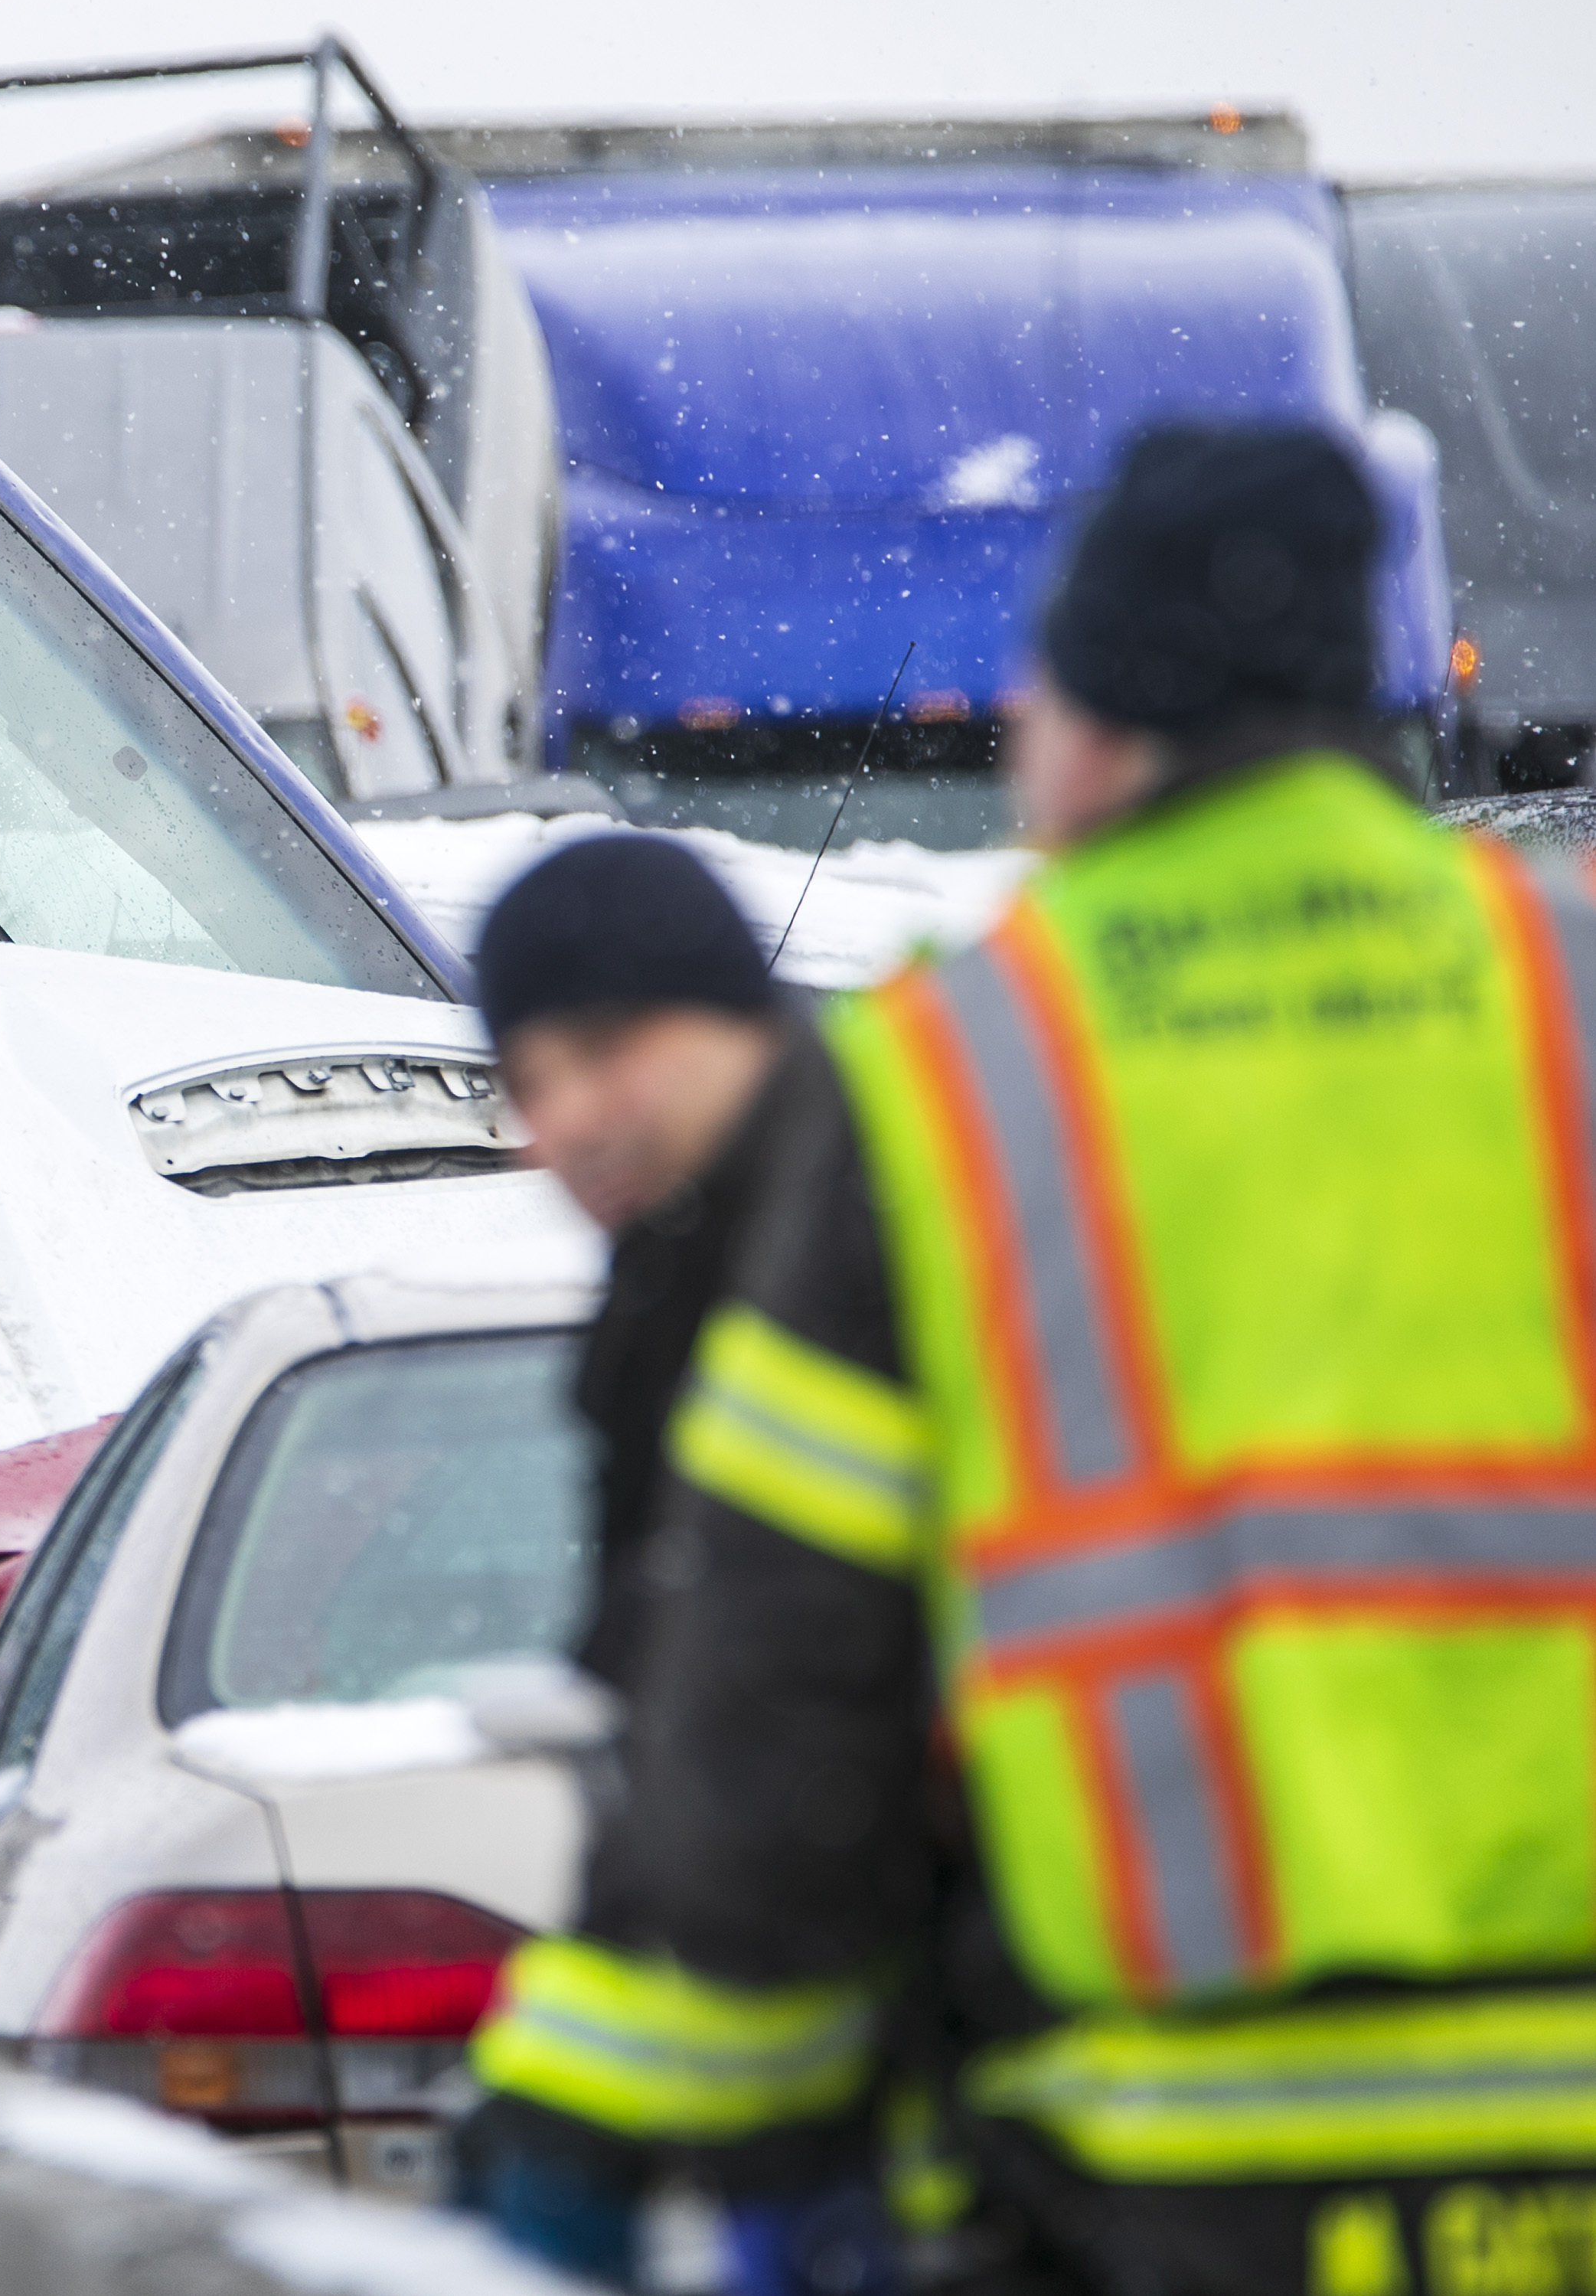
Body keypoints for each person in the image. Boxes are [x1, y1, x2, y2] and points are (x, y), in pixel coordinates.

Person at [459, 420, 1596, 2294]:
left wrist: (643, 2108)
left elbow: (782, 1692)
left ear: (1094, 721)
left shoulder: (956, 1077)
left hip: (1153, 2174)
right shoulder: (1563, 997)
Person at [475, 834, 798, 1694]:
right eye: (529, 1084)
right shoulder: (657, 1296)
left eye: (602, 1046)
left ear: (742, 1020)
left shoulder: (904, 1231)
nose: (568, 1120)